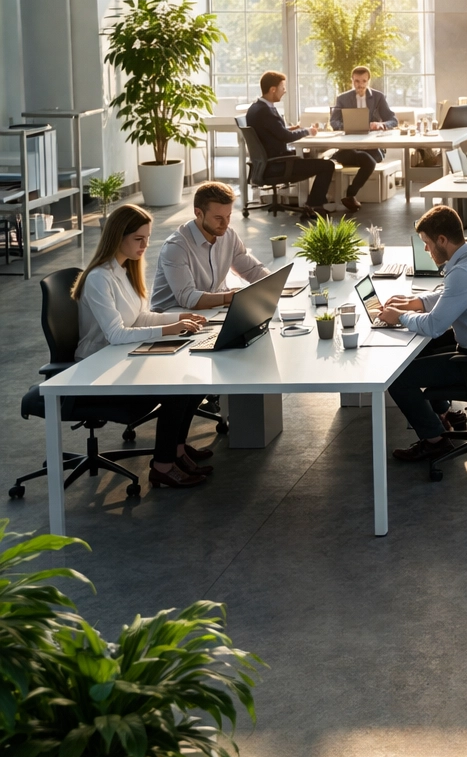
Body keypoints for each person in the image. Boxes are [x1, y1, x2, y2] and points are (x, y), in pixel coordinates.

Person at [73, 204, 215, 489]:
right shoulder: (99, 278)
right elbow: (115, 333)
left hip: (122, 357)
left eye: (147, 238)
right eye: (139, 238)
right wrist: (168, 329)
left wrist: (180, 318)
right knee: (176, 388)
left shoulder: (124, 271)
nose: (145, 245)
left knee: (193, 379)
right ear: (118, 236)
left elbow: (137, 317)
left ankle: (176, 451)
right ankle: (162, 467)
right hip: (99, 366)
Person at [381, 205, 467, 462]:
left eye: (427, 243)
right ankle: (447, 415)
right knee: (424, 350)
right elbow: (450, 295)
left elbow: (434, 326)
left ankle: (435, 441)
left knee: (398, 377)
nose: (426, 250)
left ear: (442, 240)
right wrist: (413, 302)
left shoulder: (463, 272)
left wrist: (398, 317)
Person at [151, 181, 270, 311]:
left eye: (228, 216)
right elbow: (188, 298)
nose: (225, 223)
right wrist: (229, 297)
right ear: (198, 213)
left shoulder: (228, 236)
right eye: (218, 218)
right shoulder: (176, 247)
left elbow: (253, 271)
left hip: (210, 311)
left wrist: (273, 284)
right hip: (173, 316)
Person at [245, 71, 334, 218]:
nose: (284, 91)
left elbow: (272, 132)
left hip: (267, 163)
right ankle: (314, 206)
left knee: (311, 157)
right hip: (277, 166)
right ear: (273, 89)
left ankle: (312, 204)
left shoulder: (256, 108)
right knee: (327, 165)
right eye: (283, 88)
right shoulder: (265, 111)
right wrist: (308, 131)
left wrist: (294, 128)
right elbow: (285, 137)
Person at [327, 65, 398, 213]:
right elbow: (334, 122)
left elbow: (393, 120)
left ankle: (350, 194)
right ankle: (350, 195)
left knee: (368, 158)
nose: (360, 85)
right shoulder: (343, 98)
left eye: (364, 81)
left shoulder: (378, 97)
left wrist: (381, 125)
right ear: (352, 80)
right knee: (366, 160)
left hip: (372, 148)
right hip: (350, 147)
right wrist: (347, 127)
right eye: (357, 81)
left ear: (368, 81)